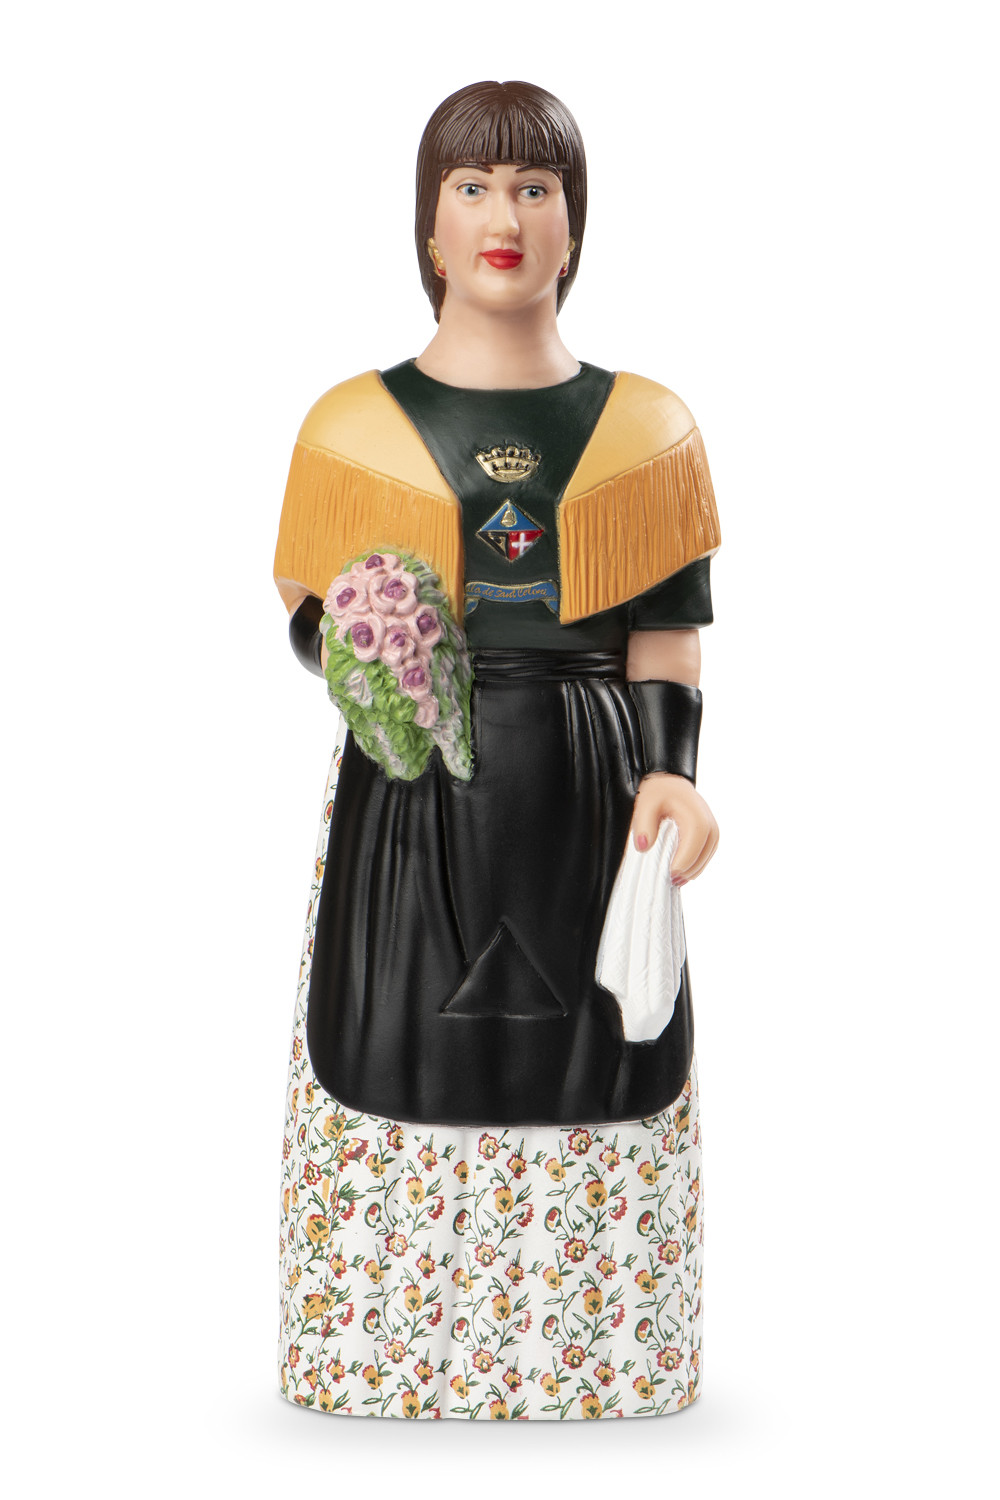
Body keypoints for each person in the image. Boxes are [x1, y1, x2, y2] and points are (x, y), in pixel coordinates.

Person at [274, 80, 720, 1420]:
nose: (503, 216)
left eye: (534, 187)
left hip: (588, 784)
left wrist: (672, 772)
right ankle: (378, 1348)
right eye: (470, 188)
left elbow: (663, 635)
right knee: (393, 1036)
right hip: (415, 786)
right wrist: (367, 650)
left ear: (575, 225)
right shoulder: (351, 422)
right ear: (428, 225)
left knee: (606, 1040)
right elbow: (310, 610)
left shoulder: (648, 427)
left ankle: (607, 1350)